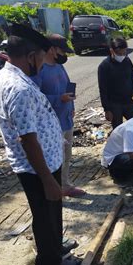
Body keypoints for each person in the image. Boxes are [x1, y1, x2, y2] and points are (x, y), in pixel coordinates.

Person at [0, 24, 81, 265]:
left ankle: (55, 245)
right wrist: (47, 180)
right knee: (44, 214)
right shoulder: (17, 88)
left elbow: (34, 124)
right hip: (36, 167)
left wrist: (55, 141)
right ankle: (49, 264)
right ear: (31, 57)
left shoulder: (13, 78)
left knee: (52, 211)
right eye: (41, 58)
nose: (43, 64)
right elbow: (27, 139)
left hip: (47, 160)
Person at [32, 34, 86, 197]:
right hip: (51, 123)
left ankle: (65, 185)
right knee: (55, 157)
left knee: (67, 155)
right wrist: (58, 99)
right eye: (62, 50)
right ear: (52, 49)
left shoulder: (59, 66)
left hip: (66, 118)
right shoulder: (40, 70)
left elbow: (67, 87)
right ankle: (54, 187)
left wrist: (71, 105)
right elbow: (35, 97)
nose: (64, 54)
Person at [98, 37, 133, 129]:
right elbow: (103, 89)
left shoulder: (127, 61)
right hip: (114, 105)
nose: (122, 55)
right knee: (118, 130)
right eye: (119, 53)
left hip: (128, 101)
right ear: (112, 51)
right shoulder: (104, 66)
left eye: (124, 52)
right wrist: (106, 109)